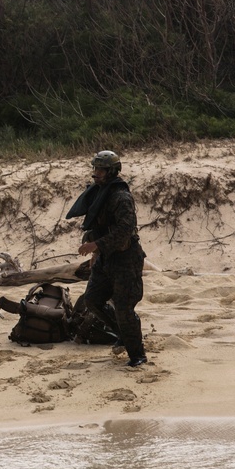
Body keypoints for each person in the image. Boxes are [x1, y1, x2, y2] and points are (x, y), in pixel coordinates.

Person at [70, 150, 148, 367]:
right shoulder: (99, 193)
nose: (95, 173)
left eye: (100, 170)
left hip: (125, 258)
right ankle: (123, 333)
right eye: (95, 169)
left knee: (124, 308)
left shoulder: (121, 197)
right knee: (93, 300)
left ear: (112, 171)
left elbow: (125, 230)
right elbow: (99, 226)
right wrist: (97, 252)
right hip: (105, 259)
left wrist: (96, 245)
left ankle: (137, 355)